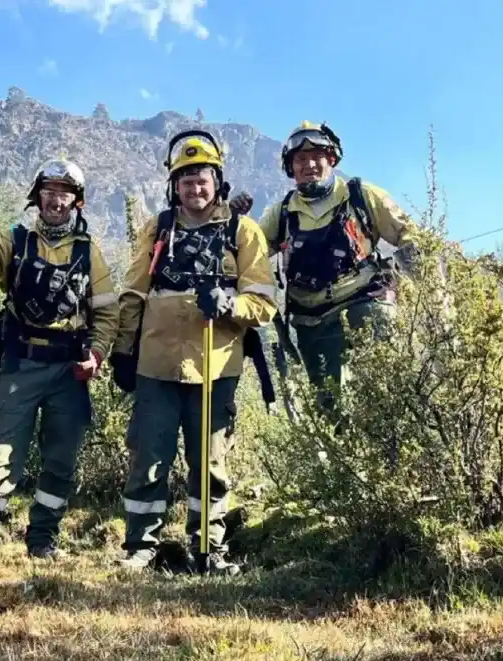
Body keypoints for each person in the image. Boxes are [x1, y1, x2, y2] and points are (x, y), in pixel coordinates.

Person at [109, 130, 277, 574]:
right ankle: (141, 547)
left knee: (210, 462)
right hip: (156, 364)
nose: (194, 188)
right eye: (185, 180)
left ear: (217, 180)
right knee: (147, 457)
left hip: (216, 365)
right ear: (173, 185)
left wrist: (230, 304)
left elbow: (263, 301)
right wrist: (122, 350)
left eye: (202, 179)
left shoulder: (243, 231)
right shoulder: (157, 229)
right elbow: (132, 292)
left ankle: (208, 549)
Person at [0, 158, 119, 560]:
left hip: (69, 371)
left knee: (61, 459)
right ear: (36, 197)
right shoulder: (17, 240)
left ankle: (42, 540)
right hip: (20, 365)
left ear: (77, 202)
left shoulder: (89, 252)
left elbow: (109, 311)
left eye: (64, 193)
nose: (55, 200)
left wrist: (97, 354)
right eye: (49, 191)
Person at [231, 121, 418, 413]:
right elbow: (248, 252)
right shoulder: (281, 212)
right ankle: (342, 454)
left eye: (316, 156)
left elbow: (410, 236)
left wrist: (434, 291)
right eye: (300, 160)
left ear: (331, 158)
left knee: (386, 388)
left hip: (364, 301)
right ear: (290, 168)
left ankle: (394, 438)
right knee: (331, 408)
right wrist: (232, 221)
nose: (309, 165)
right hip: (311, 319)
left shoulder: (360, 195)